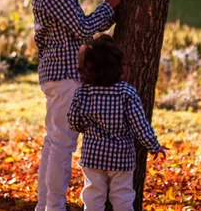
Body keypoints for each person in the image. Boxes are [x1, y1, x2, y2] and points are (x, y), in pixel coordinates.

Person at [31, 0, 121, 211]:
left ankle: (46, 204)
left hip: (56, 74)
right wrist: (109, 7)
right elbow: (82, 27)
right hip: (65, 74)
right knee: (62, 144)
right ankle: (53, 206)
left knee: (54, 143)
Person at [68, 35, 168, 211]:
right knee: (122, 196)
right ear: (117, 66)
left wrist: (87, 124)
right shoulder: (126, 92)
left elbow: (74, 121)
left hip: (93, 155)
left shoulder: (83, 92)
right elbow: (140, 125)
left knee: (93, 196)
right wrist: (154, 146)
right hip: (121, 157)